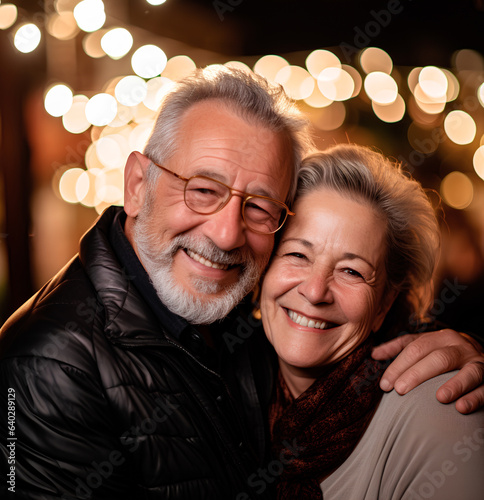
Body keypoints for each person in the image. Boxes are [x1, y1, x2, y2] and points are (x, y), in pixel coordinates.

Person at [0, 67, 482, 499]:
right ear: (137, 185)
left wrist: (457, 349)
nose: (227, 234)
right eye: (204, 190)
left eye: (257, 207)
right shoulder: (50, 366)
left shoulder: (230, 311)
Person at [260, 144, 484, 499]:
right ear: (263, 268)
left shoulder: (439, 414)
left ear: (385, 304)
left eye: (351, 270)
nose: (316, 291)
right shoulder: (227, 382)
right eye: (297, 254)